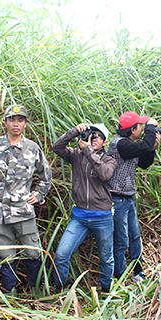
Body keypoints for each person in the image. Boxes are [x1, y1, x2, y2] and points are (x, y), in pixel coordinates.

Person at [0, 105, 52, 294]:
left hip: (24, 210)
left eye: (20, 120)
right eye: (12, 119)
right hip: (0, 210)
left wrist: (38, 194)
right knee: (4, 254)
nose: (15, 124)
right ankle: (10, 294)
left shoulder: (32, 148)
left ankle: (36, 293)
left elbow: (46, 175)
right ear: (5, 122)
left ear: (25, 124)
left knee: (33, 252)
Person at [52, 123, 117, 293]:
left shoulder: (109, 159)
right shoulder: (76, 155)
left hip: (102, 217)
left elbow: (104, 174)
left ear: (105, 142)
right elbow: (56, 147)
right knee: (61, 255)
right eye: (91, 134)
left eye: (98, 136)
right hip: (79, 217)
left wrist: (88, 151)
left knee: (106, 259)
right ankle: (61, 290)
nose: (93, 138)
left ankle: (105, 291)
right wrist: (75, 131)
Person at [107, 111, 161, 282]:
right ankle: (120, 278)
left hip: (128, 197)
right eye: (141, 126)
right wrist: (151, 127)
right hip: (117, 199)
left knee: (135, 237)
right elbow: (143, 147)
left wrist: (152, 149)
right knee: (122, 240)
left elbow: (144, 163)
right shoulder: (120, 144)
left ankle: (138, 273)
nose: (142, 128)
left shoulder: (129, 145)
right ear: (132, 129)